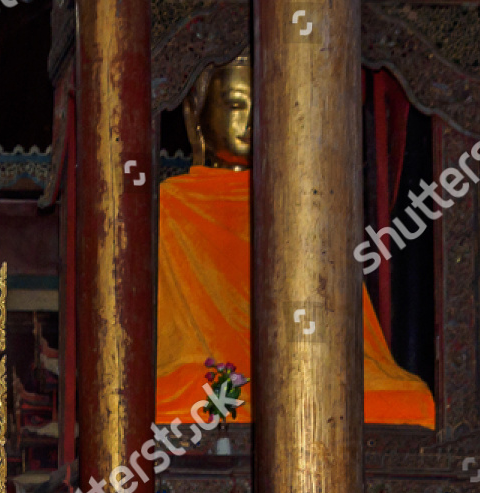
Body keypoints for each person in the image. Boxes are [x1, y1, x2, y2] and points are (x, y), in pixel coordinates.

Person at [156, 53, 435, 429]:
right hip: (219, 379)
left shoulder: (306, 206)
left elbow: (347, 333)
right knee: (194, 397)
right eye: (236, 105)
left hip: (307, 380)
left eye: (263, 106)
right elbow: (169, 340)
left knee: (412, 400)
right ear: (196, 117)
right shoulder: (173, 203)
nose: (251, 121)